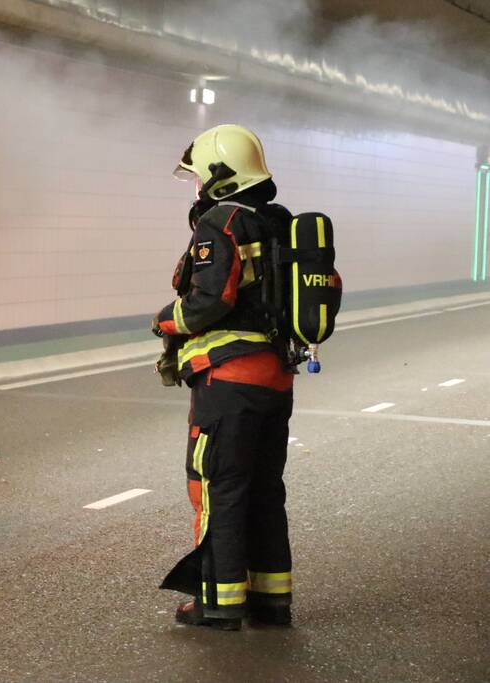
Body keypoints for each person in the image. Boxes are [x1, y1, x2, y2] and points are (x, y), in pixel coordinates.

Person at [152, 124, 296, 631]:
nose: (195, 187)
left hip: (229, 381)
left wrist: (165, 318)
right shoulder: (278, 222)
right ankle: (271, 601)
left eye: (198, 177)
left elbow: (211, 299)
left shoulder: (222, 221)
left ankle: (219, 603)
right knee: (263, 489)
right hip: (277, 378)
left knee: (219, 488)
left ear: (220, 176)